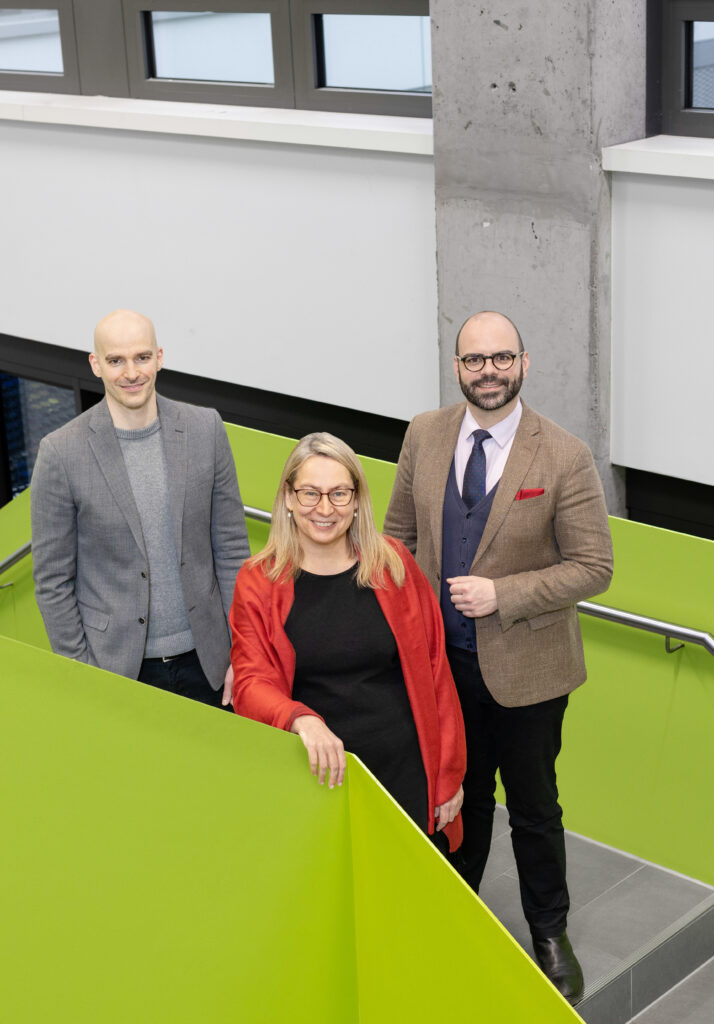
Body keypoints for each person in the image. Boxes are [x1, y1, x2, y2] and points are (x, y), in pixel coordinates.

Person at [383, 311, 613, 1004]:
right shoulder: (424, 433)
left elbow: (594, 567)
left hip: (529, 672)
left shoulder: (564, 455)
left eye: (501, 359)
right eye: (475, 360)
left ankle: (550, 932)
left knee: (535, 808)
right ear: (457, 367)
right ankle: (456, 916)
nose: (489, 371)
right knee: (459, 800)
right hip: (440, 668)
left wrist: (502, 593)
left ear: (524, 362)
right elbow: (398, 535)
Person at [229, 432, 466, 852]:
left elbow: (436, 673)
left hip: (402, 770)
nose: (325, 509)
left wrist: (448, 777)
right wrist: (302, 719)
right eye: (310, 493)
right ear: (287, 497)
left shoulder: (394, 564)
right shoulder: (258, 580)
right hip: (313, 771)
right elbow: (250, 683)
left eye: (339, 493)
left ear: (357, 501)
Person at [31, 309, 250, 708]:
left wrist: (245, 652)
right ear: (96, 365)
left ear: (160, 357)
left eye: (142, 357)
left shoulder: (206, 429)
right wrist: (83, 671)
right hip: (116, 672)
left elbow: (233, 551)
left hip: (212, 664)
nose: (131, 372)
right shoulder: (61, 452)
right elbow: (52, 581)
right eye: (116, 360)